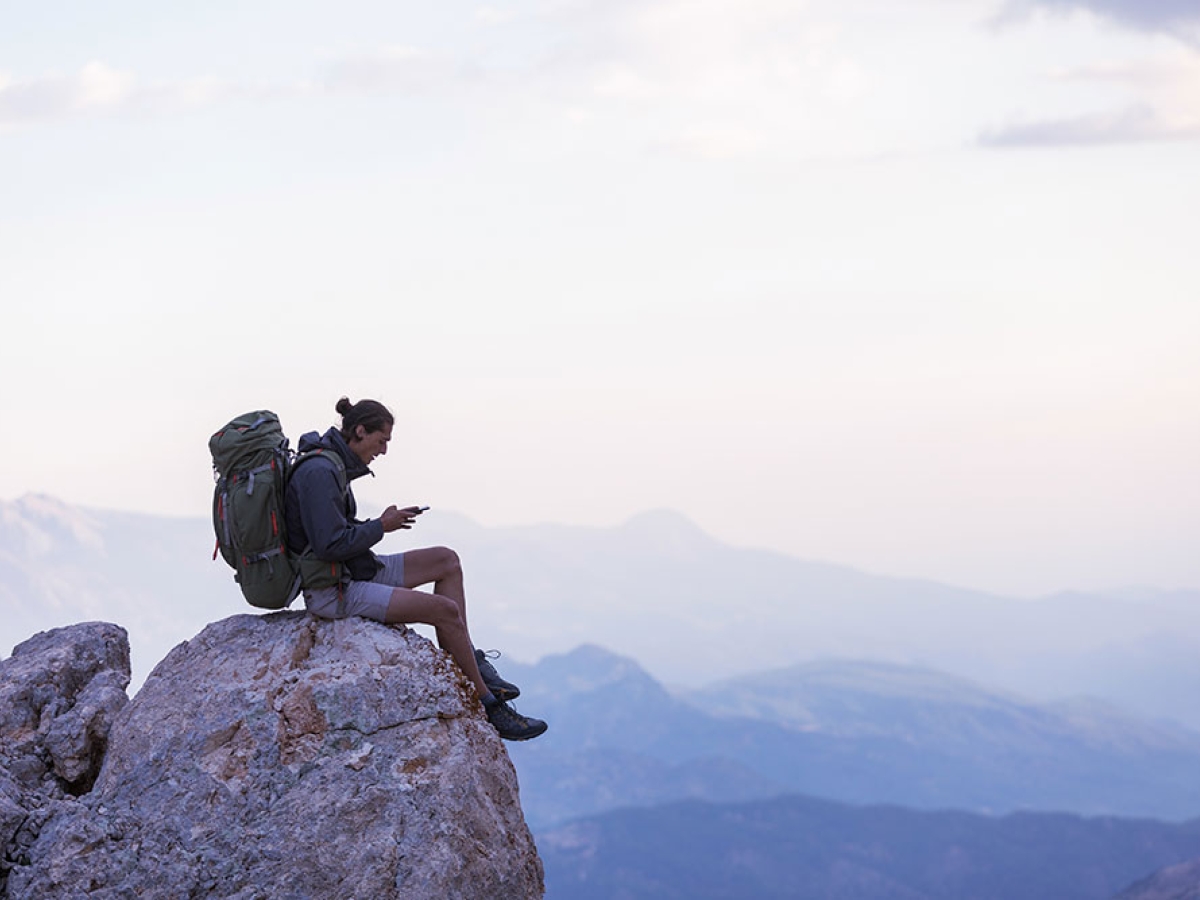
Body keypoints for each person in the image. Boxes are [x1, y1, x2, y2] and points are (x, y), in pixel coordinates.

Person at [283, 396, 547, 742]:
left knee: (446, 560)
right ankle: (489, 705)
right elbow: (328, 544)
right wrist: (382, 525)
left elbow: (330, 532)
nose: (384, 450)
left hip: (352, 569)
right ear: (360, 431)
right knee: (444, 611)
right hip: (333, 590)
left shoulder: (330, 464)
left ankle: (470, 657)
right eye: (382, 440)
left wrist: (379, 524)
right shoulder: (320, 471)